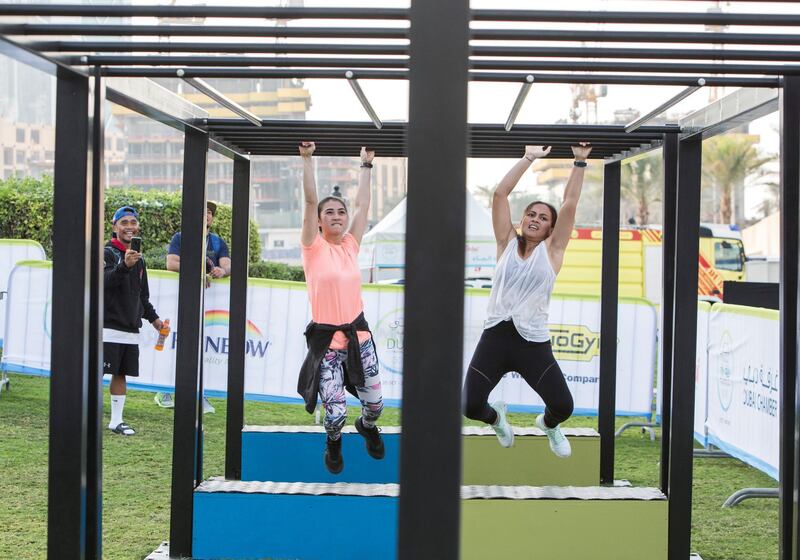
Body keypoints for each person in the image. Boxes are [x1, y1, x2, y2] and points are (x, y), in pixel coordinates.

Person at [463, 143, 593, 458]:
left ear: (551, 228)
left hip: (532, 343)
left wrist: (578, 162)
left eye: (543, 217)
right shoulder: (505, 242)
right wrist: (529, 158)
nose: (535, 219)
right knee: (470, 405)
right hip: (495, 337)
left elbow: (570, 204)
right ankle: (497, 418)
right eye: (531, 214)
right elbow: (499, 195)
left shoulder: (553, 251)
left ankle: (548, 425)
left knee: (563, 406)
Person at [296, 141, 384, 474]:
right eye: (329, 212)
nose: (336, 216)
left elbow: (363, 204)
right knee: (335, 414)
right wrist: (307, 160)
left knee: (374, 405)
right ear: (318, 221)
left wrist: (366, 166)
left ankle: (368, 427)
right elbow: (308, 201)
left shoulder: (350, 244)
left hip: (358, 337)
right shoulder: (312, 247)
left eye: (340, 212)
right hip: (328, 344)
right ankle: (333, 442)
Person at [153, 200, 230, 413]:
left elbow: (227, 264)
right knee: (172, 342)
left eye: (209, 213)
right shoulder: (180, 237)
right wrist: (198, 270)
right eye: (201, 212)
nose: (205, 216)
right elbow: (171, 263)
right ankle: (163, 390)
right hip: (178, 300)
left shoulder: (217, 242)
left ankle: (200, 395)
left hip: (208, 304)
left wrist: (222, 272)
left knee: (202, 346)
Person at [104, 206, 164, 436]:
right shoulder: (107, 253)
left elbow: (142, 296)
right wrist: (123, 266)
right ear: (115, 227)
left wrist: (155, 320)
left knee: (121, 373)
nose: (129, 226)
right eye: (124, 222)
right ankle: (81, 419)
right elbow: (103, 282)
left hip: (130, 328)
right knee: (95, 373)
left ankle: (116, 421)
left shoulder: (140, 260)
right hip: (106, 326)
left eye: (133, 222)